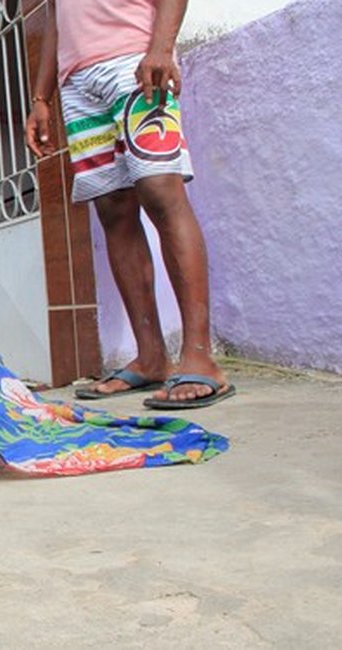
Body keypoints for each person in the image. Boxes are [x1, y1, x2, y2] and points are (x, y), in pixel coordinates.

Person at [25, 0, 234, 410]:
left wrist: (160, 48)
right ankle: (151, 356)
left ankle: (199, 357)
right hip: (78, 84)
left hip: (133, 62)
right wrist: (42, 97)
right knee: (113, 210)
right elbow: (55, 16)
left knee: (161, 192)